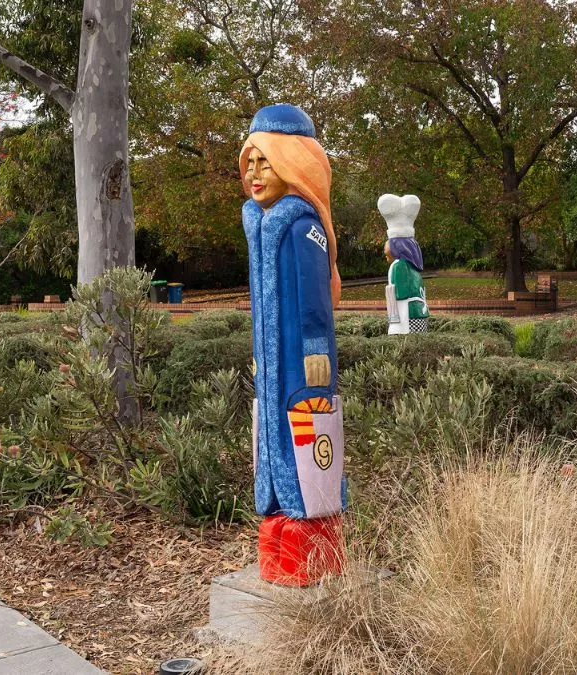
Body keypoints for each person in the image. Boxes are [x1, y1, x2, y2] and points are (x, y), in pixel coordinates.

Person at [240, 104, 345, 585]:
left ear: (292, 164)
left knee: (305, 429)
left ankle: (310, 528)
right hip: (271, 359)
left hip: (304, 362)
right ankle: (279, 520)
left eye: (267, 162)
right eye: (250, 163)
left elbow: (314, 298)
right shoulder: (259, 224)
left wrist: (317, 348)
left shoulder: (303, 227)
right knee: (274, 432)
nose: (256, 174)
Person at [379, 193, 429, 334]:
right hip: (419, 312)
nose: (385, 251)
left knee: (407, 343)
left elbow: (400, 293)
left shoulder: (400, 265)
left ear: (396, 247)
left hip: (407, 316)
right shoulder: (414, 266)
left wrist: (390, 291)